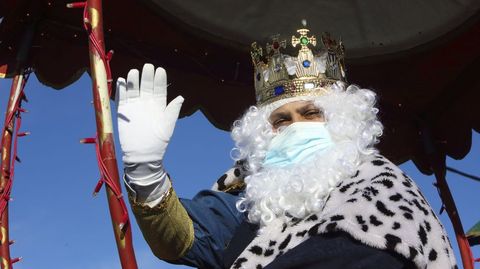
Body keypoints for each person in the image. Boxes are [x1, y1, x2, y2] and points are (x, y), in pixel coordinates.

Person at [115, 27, 457, 269]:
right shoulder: (254, 198)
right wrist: (146, 170)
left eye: (311, 113)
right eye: (281, 120)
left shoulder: (382, 189)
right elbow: (183, 240)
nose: (295, 126)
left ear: (344, 123)